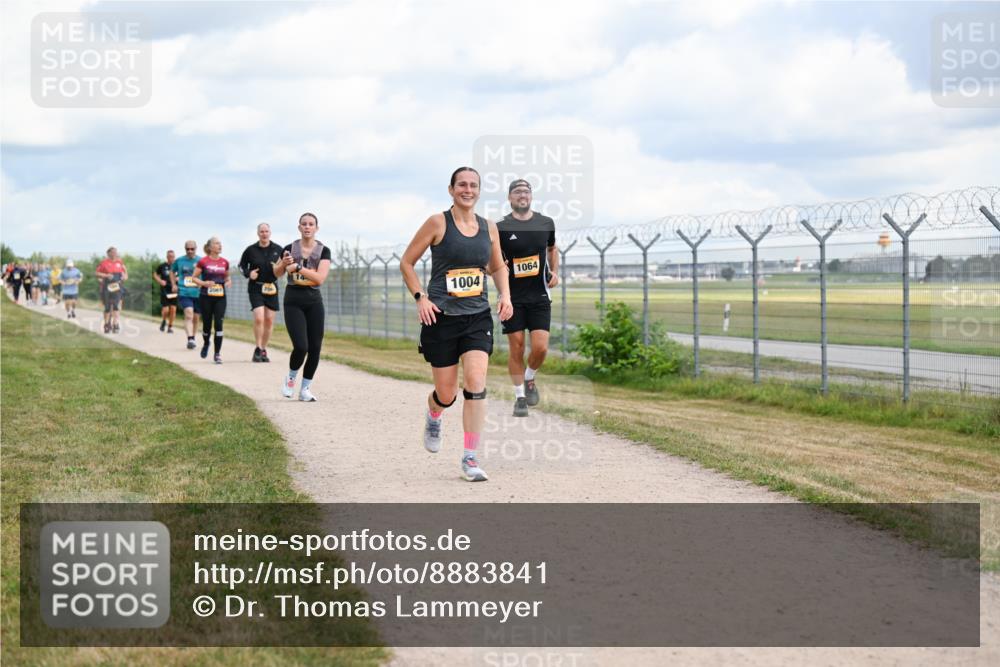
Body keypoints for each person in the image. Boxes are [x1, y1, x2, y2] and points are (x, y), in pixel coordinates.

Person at [399, 167, 513, 482]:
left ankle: (470, 458)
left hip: (477, 317)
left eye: (473, 185)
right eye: (461, 184)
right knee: (447, 393)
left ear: (479, 190)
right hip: (441, 318)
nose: (467, 189)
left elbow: (497, 265)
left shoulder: (489, 227)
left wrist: (505, 295)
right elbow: (406, 262)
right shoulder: (438, 223)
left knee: (476, 383)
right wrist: (421, 297)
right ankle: (435, 412)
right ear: (451, 189)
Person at [498, 179, 559, 416]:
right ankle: (520, 398)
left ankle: (529, 378)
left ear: (531, 196)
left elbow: (553, 249)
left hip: (539, 295)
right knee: (517, 347)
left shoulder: (545, 223)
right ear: (510, 197)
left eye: (526, 191)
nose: (522, 195)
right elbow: (492, 259)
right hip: (512, 298)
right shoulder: (500, 227)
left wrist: (555, 272)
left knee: (541, 348)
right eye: (517, 192)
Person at [274, 212, 331, 401]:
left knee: (315, 347)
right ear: (299, 227)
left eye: (311, 224)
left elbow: (320, 278)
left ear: (316, 228)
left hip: (314, 300)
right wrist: (284, 263)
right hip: (294, 299)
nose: (307, 227)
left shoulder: (324, 251)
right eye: (304, 224)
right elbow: (277, 272)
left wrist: (298, 268)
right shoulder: (289, 249)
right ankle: (290, 378)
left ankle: (305, 389)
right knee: (301, 346)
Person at [239, 223, 284, 362]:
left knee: (269, 320)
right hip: (256, 288)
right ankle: (257, 348)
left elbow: (284, 266)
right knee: (259, 318)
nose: (264, 234)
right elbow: (241, 266)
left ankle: (263, 349)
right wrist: (248, 273)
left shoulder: (278, 249)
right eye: (261, 231)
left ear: (270, 232)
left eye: (266, 231)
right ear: (258, 233)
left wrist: (281, 270)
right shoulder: (250, 250)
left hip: (271, 287)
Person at [192, 237, 231, 364]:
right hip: (206, 297)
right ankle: (206, 343)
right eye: (216, 243)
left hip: (220, 297)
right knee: (207, 325)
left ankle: (217, 353)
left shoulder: (225, 262)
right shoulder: (203, 261)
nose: (220, 245)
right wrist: (204, 283)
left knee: (219, 324)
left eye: (220, 243)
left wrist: (228, 281)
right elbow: (194, 278)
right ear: (210, 247)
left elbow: (227, 276)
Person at [171, 241, 201, 349]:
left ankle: (193, 337)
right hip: (184, 291)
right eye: (187, 249)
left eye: (192, 249)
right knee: (189, 314)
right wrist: (174, 284)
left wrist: (203, 284)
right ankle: (190, 339)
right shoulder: (179, 260)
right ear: (185, 249)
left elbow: (206, 273)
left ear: (196, 248)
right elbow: (171, 271)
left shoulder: (200, 260)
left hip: (198, 293)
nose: (190, 251)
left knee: (196, 318)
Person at [96, 247, 128, 333]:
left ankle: (115, 324)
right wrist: (106, 276)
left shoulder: (120, 262)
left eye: (116, 252)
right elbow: (97, 273)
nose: (115, 253)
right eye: (113, 252)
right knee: (107, 307)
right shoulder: (103, 263)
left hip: (117, 286)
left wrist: (125, 277)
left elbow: (125, 272)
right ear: (108, 253)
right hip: (106, 286)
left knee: (116, 305)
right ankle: (107, 324)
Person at [154, 250, 178, 333]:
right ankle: (164, 321)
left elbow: (184, 275)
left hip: (174, 290)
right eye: (170, 256)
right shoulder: (162, 266)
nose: (171, 258)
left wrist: (179, 279)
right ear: (167, 257)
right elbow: (155, 274)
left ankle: (170, 327)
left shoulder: (177, 266)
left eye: (173, 256)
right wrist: (160, 281)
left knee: (173, 309)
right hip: (165, 290)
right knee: (166, 310)